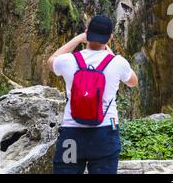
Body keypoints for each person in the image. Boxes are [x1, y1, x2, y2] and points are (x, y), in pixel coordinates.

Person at [47, 15, 139, 174]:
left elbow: (51, 61)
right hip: (104, 135)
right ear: (110, 38)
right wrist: (108, 50)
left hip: (72, 135)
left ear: (87, 33)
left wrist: (77, 39)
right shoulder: (118, 62)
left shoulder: (68, 60)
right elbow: (133, 82)